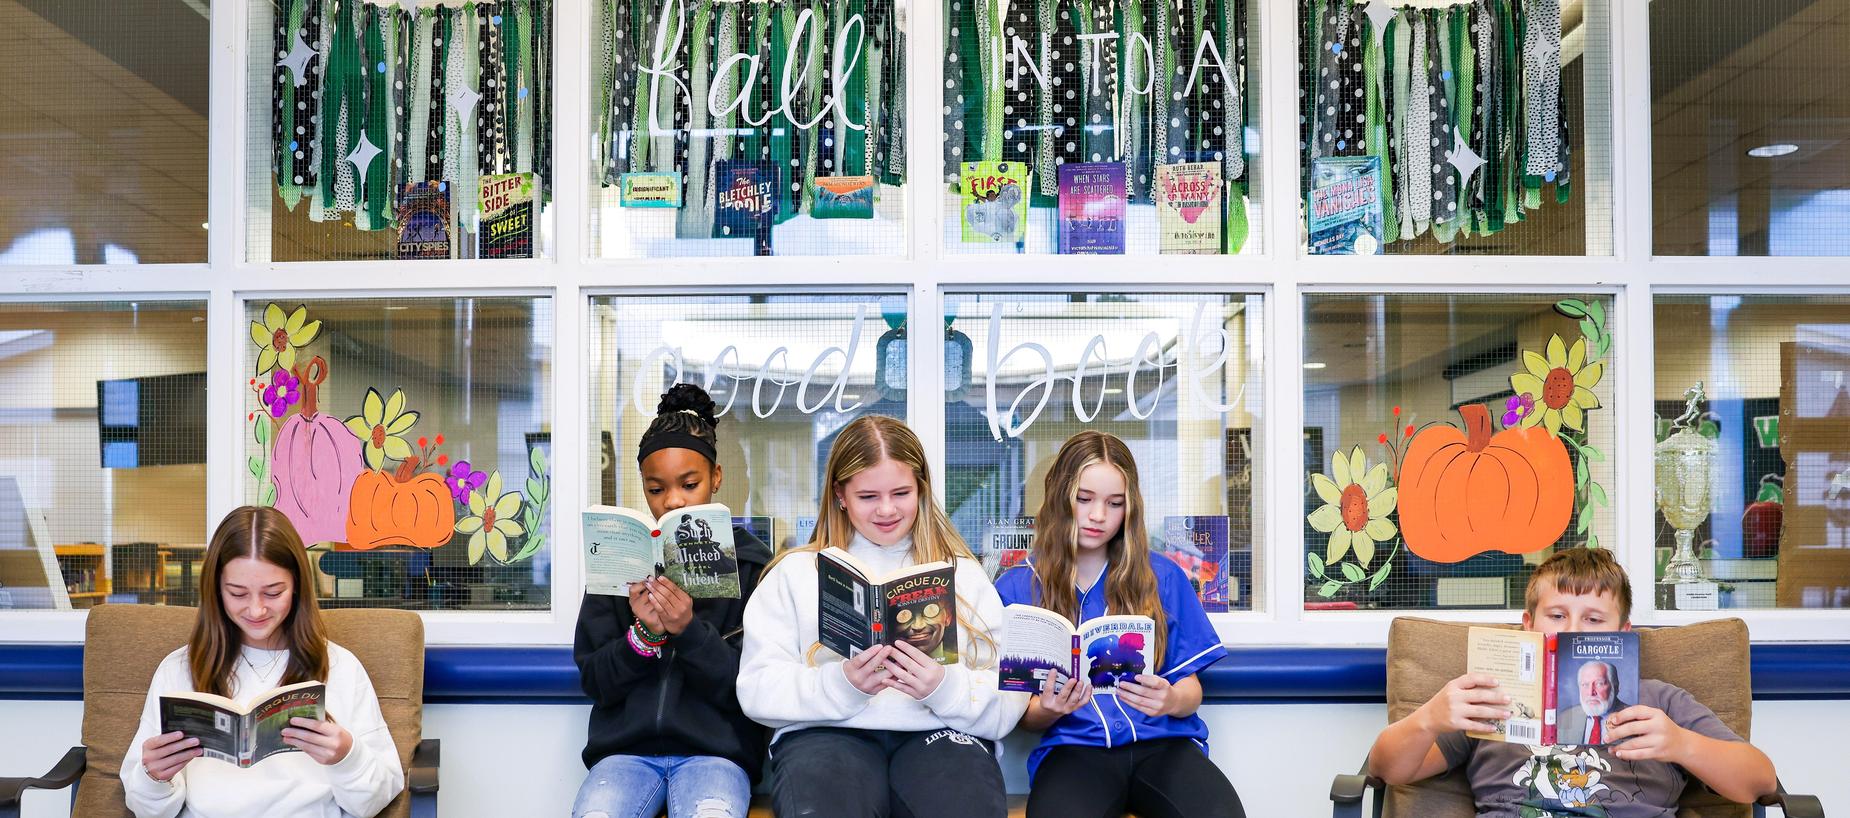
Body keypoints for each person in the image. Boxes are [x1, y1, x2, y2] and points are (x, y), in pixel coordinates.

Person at [737, 415, 1027, 818]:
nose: (887, 510)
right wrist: (842, 683)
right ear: (840, 494)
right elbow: (756, 689)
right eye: (868, 496)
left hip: (938, 731)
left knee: (965, 805)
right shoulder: (794, 573)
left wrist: (942, 687)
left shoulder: (963, 574)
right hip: (828, 734)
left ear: (922, 489)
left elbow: (1009, 693)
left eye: (901, 492)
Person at [1368, 547, 1780, 816]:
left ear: (1622, 632)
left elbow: (1759, 780)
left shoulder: (1660, 702)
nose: (1573, 630)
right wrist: (1429, 719)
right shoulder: (1491, 697)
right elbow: (1389, 770)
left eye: (1594, 619)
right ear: (1529, 624)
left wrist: (1682, 744)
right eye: (1557, 615)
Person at [994, 431, 1246, 818]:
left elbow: (1191, 688)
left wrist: (1172, 699)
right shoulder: (1015, 587)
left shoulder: (1162, 576)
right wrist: (1049, 708)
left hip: (1164, 745)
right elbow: (1024, 716)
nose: (1098, 516)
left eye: (1115, 504)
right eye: (1084, 499)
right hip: (1074, 749)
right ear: (1060, 496)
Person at [122, 507, 404, 818]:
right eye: (237, 593)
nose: (256, 610)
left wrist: (346, 757)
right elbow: (145, 809)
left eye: (273, 592)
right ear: (216, 589)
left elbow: (376, 800)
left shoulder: (340, 667)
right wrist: (154, 778)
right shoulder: (178, 669)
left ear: (296, 585)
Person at [572, 384, 773, 818]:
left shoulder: (753, 569)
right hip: (624, 755)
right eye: (656, 489)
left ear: (716, 478)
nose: (674, 500)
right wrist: (643, 636)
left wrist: (687, 631)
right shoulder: (621, 559)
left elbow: (751, 691)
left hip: (718, 755)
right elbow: (595, 681)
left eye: (690, 484)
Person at [1556, 660, 1632, 745]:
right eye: (1585, 684)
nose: (1591, 692)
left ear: (1615, 687)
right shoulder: (1565, 718)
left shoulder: (1632, 719)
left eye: (1599, 683)